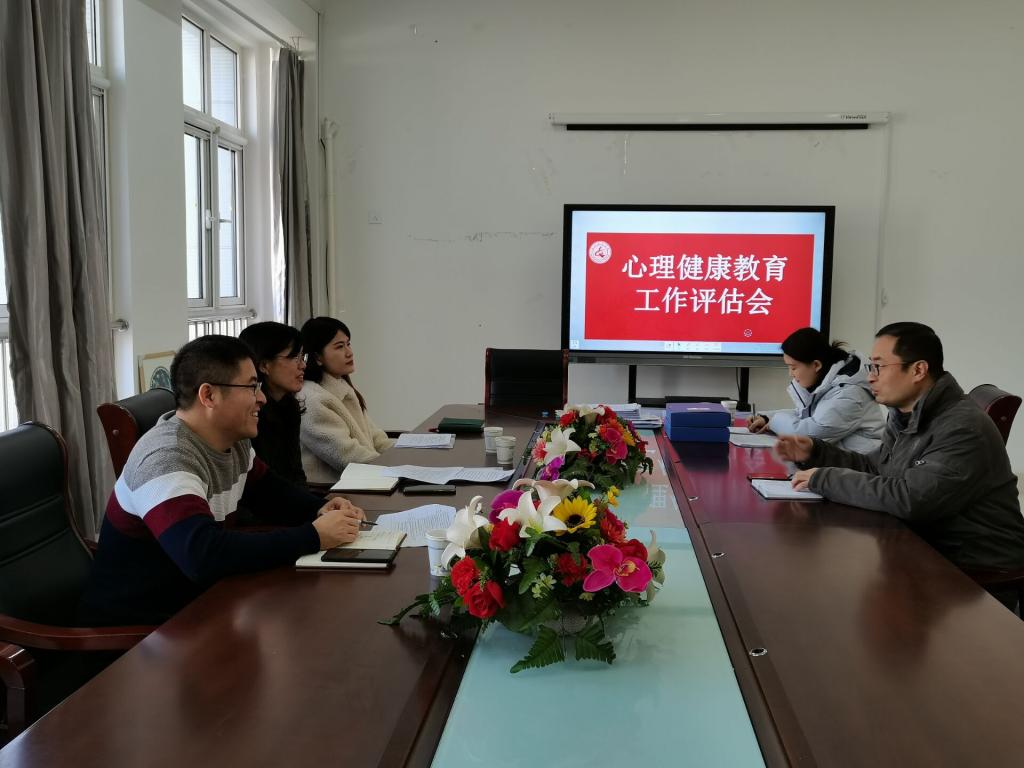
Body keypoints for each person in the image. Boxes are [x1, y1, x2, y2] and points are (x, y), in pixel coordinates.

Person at [80, 335, 365, 626]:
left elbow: (270, 491)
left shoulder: (231, 440)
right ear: (209, 396)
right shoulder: (166, 458)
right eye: (252, 386)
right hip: (144, 629)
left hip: (203, 603)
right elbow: (203, 556)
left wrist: (320, 508)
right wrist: (313, 536)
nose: (262, 398)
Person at [779, 322, 1024, 575]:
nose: (870, 377)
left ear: (918, 370)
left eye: (879, 367)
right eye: (871, 367)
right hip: (927, 544)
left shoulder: (962, 426)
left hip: (972, 566)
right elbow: (876, 466)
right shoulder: (907, 413)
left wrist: (825, 479)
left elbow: (912, 499)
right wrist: (816, 453)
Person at [748, 327, 883, 453]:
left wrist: (773, 422)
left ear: (816, 365)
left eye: (793, 368)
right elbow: (805, 415)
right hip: (842, 463)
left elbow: (809, 435)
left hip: (862, 466)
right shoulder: (830, 382)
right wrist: (767, 418)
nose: (790, 374)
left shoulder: (849, 393)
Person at [299, 317, 394, 483]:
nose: (349, 352)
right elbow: (348, 456)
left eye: (348, 344)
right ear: (317, 357)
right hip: (335, 490)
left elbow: (375, 436)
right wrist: (395, 469)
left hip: (366, 478)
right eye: (339, 346)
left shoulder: (342, 386)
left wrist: (406, 457)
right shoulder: (312, 399)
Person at [239, 321, 307, 485]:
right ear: (264, 365)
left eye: (303, 357)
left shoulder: (289, 406)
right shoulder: (249, 413)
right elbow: (261, 483)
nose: (303, 365)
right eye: (294, 357)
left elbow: (296, 472)